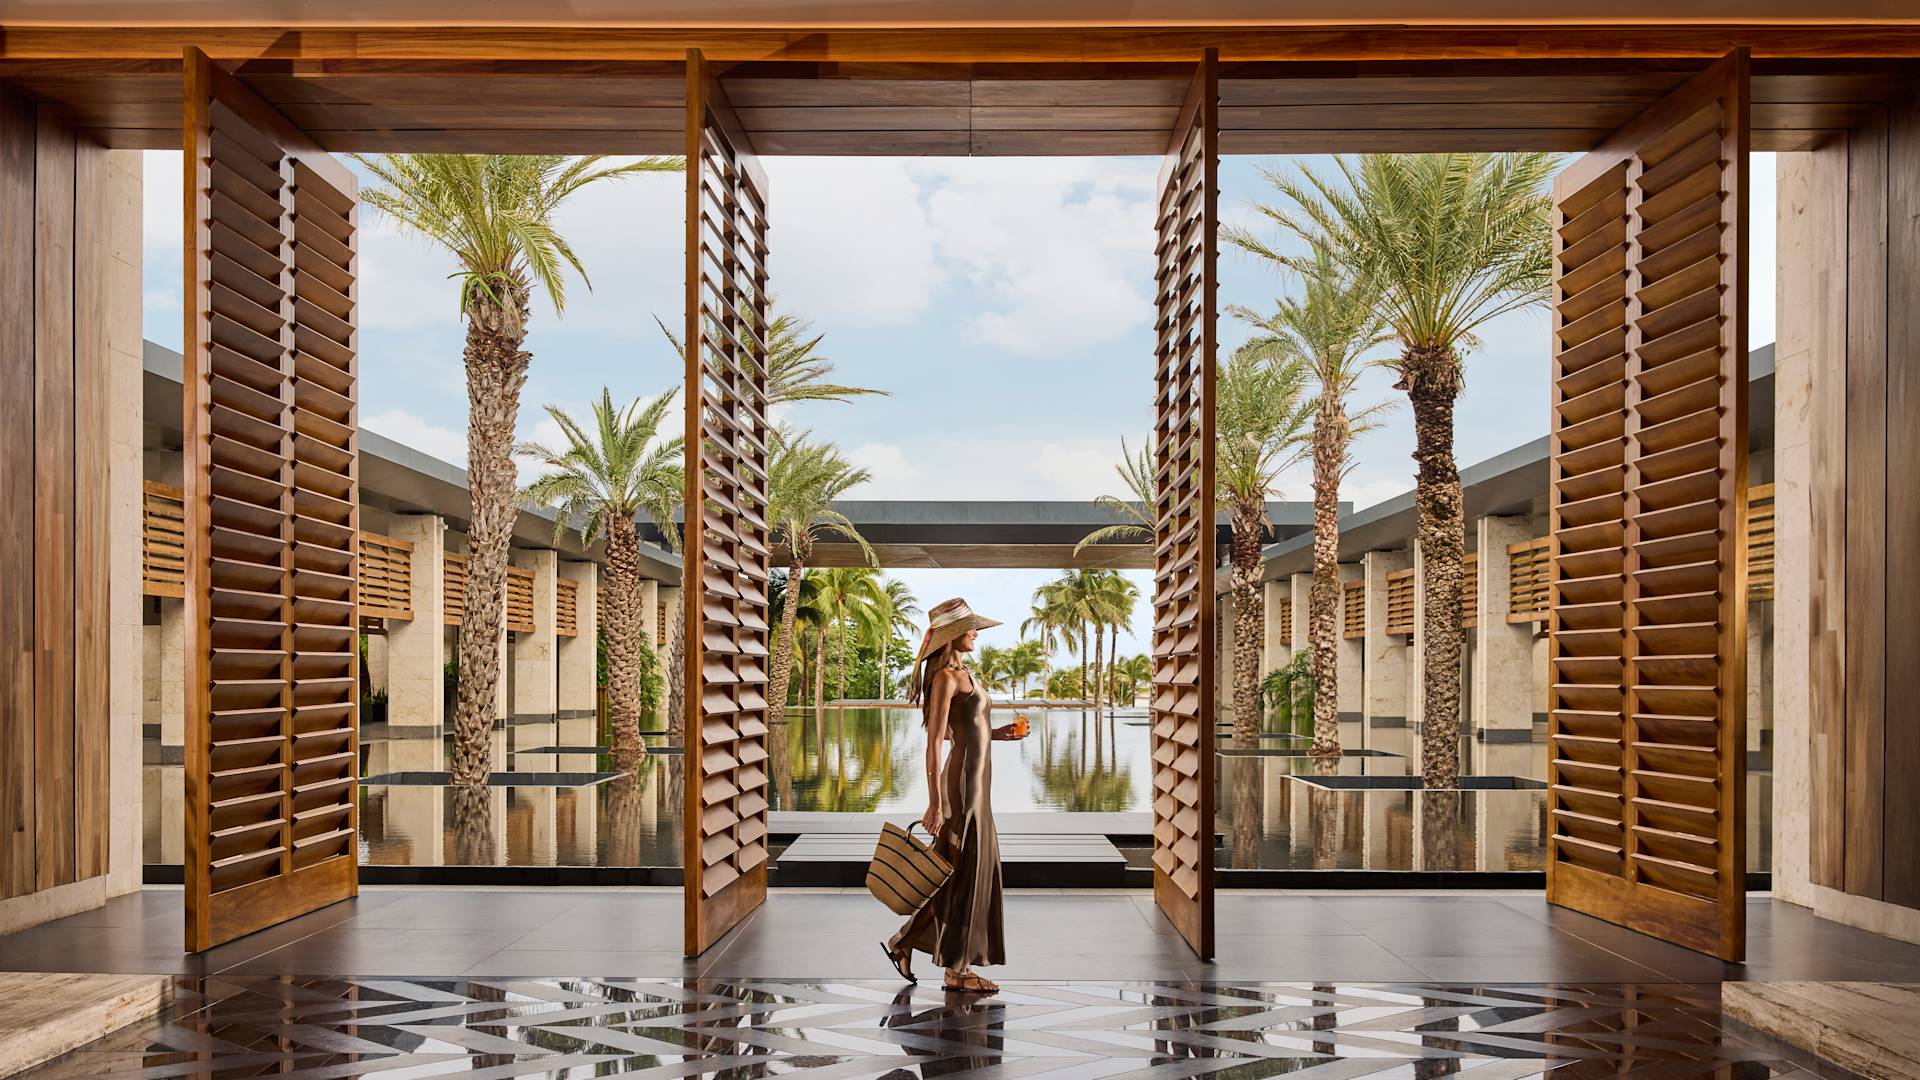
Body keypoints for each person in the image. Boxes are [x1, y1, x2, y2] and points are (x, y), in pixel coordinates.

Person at [881, 597, 1028, 994]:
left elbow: (967, 730)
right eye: (971, 627)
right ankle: (955, 970)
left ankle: (905, 941)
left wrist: (999, 735)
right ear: (952, 635)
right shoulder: (946, 678)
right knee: (963, 874)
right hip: (961, 788)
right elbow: (934, 742)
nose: (976, 633)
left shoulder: (966, 673)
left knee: (960, 874)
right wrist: (934, 802)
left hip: (978, 787)